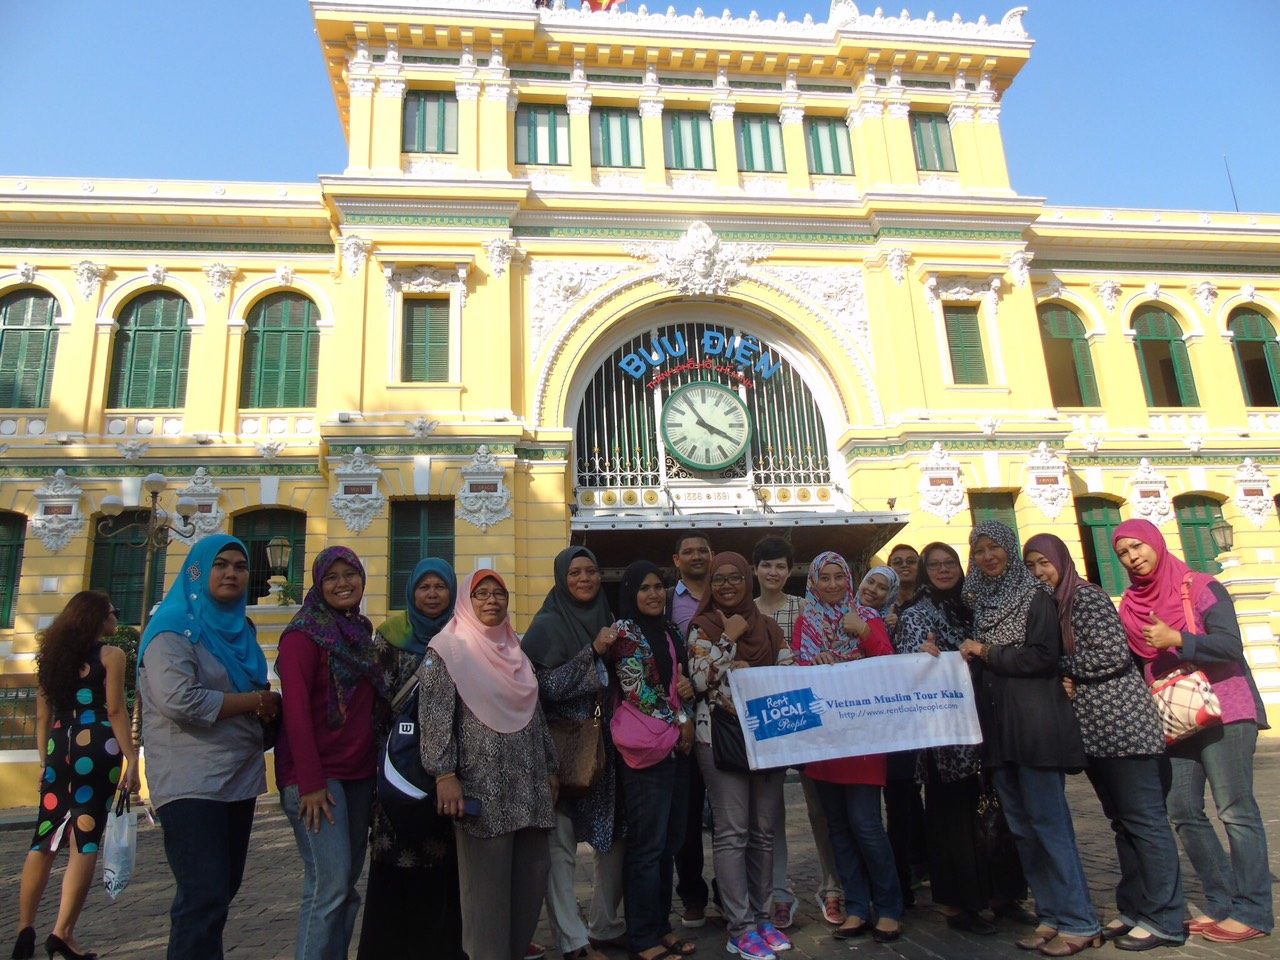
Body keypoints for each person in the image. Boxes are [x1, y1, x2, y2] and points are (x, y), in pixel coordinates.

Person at [1112, 519, 1272, 945]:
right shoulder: (1129, 604)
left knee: (1235, 809)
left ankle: (1253, 908)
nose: (1132, 557)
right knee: (1182, 809)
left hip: (1225, 709)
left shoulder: (1199, 585)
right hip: (1173, 717)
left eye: (1137, 547)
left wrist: (1177, 638)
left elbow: (1230, 644)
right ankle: (1222, 904)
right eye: (1123, 552)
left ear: (1155, 544)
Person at [1023, 533, 1185, 951]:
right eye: (1031, 566)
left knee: (1146, 823)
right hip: (1096, 734)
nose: (1040, 572)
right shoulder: (1056, 604)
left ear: (1061, 559)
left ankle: (1166, 917)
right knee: (1122, 823)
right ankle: (1135, 908)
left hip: (1125, 728)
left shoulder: (1085, 597)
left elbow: (1111, 655)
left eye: (1044, 562)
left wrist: (1053, 663)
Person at [958, 521, 1101, 956]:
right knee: (1022, 829)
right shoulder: (981, 604)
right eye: (979, 550)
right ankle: (1051, 915)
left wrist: (986, 652)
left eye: (994, 547)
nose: (987, 556)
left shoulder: (1035, 597)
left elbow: (1043, 657)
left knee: (1050, 825)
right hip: (999, 732)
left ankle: (1080, 920)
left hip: (1035, 726)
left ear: (1010, 549)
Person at [138, 534, 281, 960]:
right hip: (189, 782)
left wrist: (267, 711)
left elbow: (255, 693)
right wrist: (257, 703)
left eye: (240, 566)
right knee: (202, 897)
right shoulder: (174, 627)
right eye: (221, 565)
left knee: (219, 894)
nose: (232, 573)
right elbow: (179, 699)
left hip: (237, 779)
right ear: (198, 570)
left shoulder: (241, 631)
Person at [418, 570, 557, 960]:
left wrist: (549, 767)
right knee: (486, 894)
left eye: (499, 594)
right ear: (467, 600)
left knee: (530, 881)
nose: (492, 601)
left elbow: (536, 713)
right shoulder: (447, 649)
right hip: (483, 789)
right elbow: (435, 717)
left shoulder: (515, 651)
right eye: (482, 594)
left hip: (528, 787)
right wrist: (444, 774)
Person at [896, 542, 1027, 937]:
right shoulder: (915, 614)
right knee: (952, 819)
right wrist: (922, 656)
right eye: (933, 564)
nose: (942, 569)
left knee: (996, 812)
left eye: (949, 562)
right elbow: (906, 667)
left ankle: (1003, 895)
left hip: (988, 725)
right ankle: (959, 902)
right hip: (945, 736)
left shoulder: (976, 606)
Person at [13, 592, 140, 960]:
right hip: (97, 744)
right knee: (84, 838)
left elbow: (41, 716)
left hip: (58, 746)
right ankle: (63, 932)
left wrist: (43, 762)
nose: (116, 616)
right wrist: (131, 758)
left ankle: (25, 928)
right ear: (98, 620)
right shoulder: (110, 656)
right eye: (111, 612)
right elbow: (115, 709)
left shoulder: (51, 659)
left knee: (44, 837)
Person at [276, 546, 388, 960]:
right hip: (316, 780)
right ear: (319, 584)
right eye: (332, 577)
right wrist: (309, 783)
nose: (343, 583)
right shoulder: (304, 635)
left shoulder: (358, 633)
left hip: (358, 777)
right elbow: (296, 715)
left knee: (343, 886)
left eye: (350, 574)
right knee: (331, 885)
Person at [688, 552, 793, 960]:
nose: (728, 586)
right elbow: (698, 678)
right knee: (732, 833)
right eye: (719, 580)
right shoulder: (704, 626)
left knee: (763, 832)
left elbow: (789, 671)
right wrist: (729, 638)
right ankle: (740, 926)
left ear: (746, 581)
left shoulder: (768, 628)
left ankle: (762, 917)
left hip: (767, 737)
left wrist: (754, 673)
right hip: (719, 739)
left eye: (734, 578)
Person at [793, 552, 903, 944]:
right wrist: (813, 664)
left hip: (862, 739)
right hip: (824, 741)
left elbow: (888, 664)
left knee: (867, 826)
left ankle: (889, 906)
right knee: (838, 828)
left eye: (841, 576)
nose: (835, 584)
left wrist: (863, 632)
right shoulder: (806, 622)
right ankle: (857, 907)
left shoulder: (868, 618)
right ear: (814, 581)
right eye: (826, 577)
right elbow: (797, 673)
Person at [522, 547, 625, 960]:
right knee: (560, 845)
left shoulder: (611, 620)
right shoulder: (546, 626)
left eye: (592, 571)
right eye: (576, 572)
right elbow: (541, 689)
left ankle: (605, 924)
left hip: (608, 749)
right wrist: (591, 654)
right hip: (562, 748)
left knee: (613, 838)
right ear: (562, 577)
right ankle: (572, 939)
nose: (585, 579)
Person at [356, 558, 462, 960]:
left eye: (440, 586)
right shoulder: (389, 637)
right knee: (393, 860)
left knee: (443, 864)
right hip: (398, 771)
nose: (432, 594)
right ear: (411, 592)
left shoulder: (462, 637)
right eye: (424, 587)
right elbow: (373, 705)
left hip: (448, 771)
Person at [752, 536, 843, 930]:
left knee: (821, 809)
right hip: (769, 719)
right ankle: (779, 894)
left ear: (790, 572)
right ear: (756, 569)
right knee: (770, 815)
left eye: (780, 566)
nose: (773, 572)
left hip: (808, 716)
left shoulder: (806, 608)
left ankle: (833, 887)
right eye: (766, 565)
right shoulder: (747, 612)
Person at [612, 560, 697, 960]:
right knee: (647, 847)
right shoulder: (626, 632)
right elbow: (635, 689)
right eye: (644, 588)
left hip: (675, 748)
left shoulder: (670, 630)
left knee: (669, 842)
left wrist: (685, 695)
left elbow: (678, 683)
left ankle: (661, 926)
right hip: (647, 752)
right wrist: (680, 719)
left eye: (658, 586)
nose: (653, 594)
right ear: (631, 593)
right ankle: (642, 936)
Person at [668, 532, 714, 929]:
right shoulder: (666, 599)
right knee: (687, 811)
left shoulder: (729, 591)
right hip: (682, 716)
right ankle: (693, 895)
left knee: (736, 812)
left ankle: (736, 890)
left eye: (703, 551)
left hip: (727, 715)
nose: (696, 556)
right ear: (677, 560)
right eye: (689, 552)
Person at [886, 544, 921, 632]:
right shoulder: (880, 605)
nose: (904, 565)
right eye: (897, 562)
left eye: (911, 561)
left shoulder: (931, 602)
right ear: (889, 569)